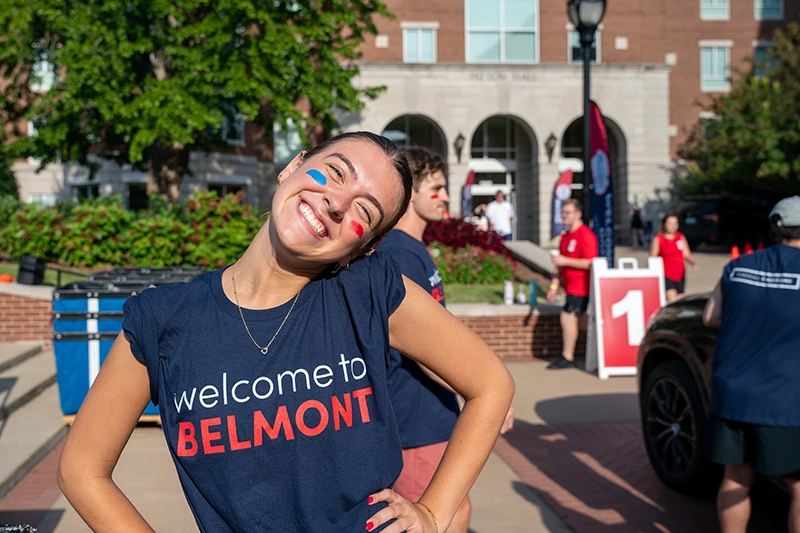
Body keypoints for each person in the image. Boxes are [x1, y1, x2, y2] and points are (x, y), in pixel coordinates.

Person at [57, 132, 515, 533]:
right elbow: (82, 470)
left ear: (364, 247)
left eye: (364, 210)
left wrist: (434, 514)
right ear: (293, 166)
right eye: (335, 172)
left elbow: (492, 384)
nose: (336, 202)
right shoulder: (162, 320)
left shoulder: (368, 290)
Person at [377, 147, 513, 533]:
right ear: (409, 193)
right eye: (435, 188)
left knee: (453, 512)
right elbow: (425, 351)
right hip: (415, 419)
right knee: (440, 518)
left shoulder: (411, 250)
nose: (447, 197)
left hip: (428, 412)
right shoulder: (400, 254)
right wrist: (482, 393)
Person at [702, 195, 800, 533]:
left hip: (733, 392)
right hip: (784, 398)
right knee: (798, 486)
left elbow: (710, 316)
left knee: (736, 476)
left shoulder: (739, 266)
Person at [546, 199, 598, 370]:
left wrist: (565, 260)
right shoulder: (565, 236)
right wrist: (553, 286)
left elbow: (591, 262)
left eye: (568, 212)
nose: (564, 216)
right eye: (563, 212)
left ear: (578, 214)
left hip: (581, 286)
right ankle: (599, 341)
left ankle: (567, 356)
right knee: (583, 322)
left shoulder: (585, 235)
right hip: (569, 287)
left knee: (567, 318)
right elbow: (559, 265)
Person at [649, 213, 698, 302]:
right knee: (672, 300)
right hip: (666, 274)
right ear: (664, 225)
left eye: (675, 223)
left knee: (680, 301)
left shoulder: (680, 237)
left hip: (680, 274)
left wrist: (692, 263)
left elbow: (686, 253)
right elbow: (652, 257)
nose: (673, 226)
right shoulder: (659, 239)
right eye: (670, 223)